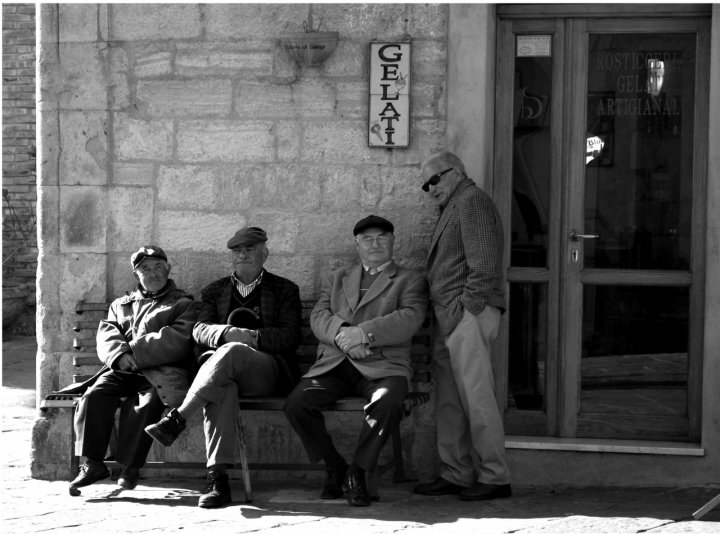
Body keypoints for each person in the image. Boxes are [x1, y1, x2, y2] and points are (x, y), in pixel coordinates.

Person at [145, 226, 302, 508]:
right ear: (231, 256)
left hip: (266, 372)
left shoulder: (285, 289)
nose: (243, 255)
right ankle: (217, 480)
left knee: (232, 352)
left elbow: (290, 336)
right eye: (237, 251)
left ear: (264, 253)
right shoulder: (214, 290)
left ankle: (178, 418)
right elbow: (199, 330)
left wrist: (254, 338)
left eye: (250, 249)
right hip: (220, 375)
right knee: (223, 388)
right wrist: (225, 333)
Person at [283, 215, 427, 507]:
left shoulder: (409, 279)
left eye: (382, 238)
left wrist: (365, 334)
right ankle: (334, 464)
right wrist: (345, 336)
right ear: (357, 244)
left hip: (383, 366)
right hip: (336, 364)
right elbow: (319, 315)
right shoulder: (339, 277)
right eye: (367, 239)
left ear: (393, 241)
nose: (375, 244)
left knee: (387, 401)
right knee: (297, 403)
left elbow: (409, 318)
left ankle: (358, 471)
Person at [413, 151, 512, 501]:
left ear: (455, 172)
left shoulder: (472, 202)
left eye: (434, 180)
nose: (429, 189)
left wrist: (466, 309)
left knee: (477, 396)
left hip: (466, 313)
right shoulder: (454, 204)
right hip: (450, 317)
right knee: (451, 400)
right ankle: (456, 472)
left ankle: (495, 476)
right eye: (425, 185)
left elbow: (484, 265)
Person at [68, 246, 197, 495]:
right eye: (145, 269)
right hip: (122, 370)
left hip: (160, 372)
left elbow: (177, 337)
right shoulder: (121, 305)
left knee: (145, 404)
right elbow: (107, 333)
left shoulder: (182, 303)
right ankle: (92, 464)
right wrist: (120, 356)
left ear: (168, 269)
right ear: (136, 275)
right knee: (94, 396)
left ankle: (130, 467)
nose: (152, 273)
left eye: (158, 266)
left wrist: (136, 354)